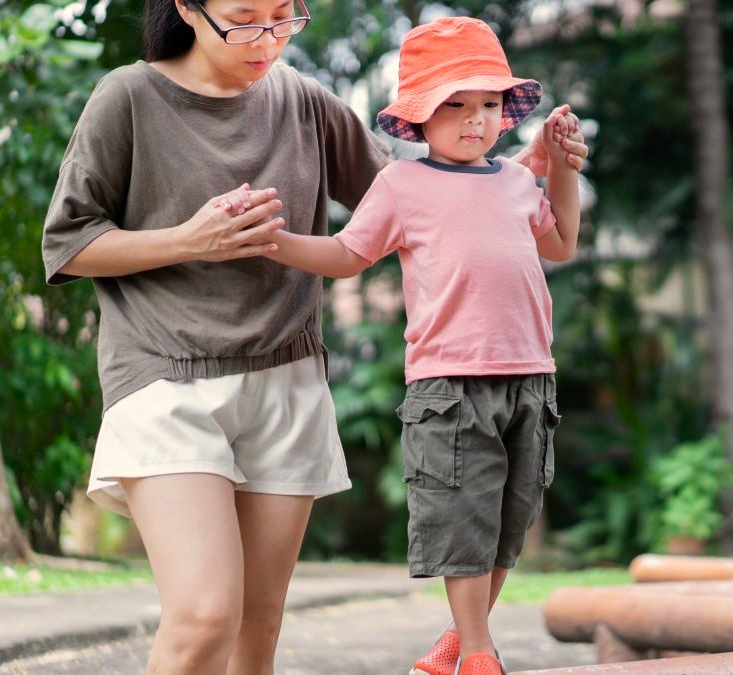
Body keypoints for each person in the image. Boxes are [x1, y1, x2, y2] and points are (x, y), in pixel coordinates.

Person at [40, 2, 587, 673]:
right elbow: (68, 244)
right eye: (244, 19)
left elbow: (425, 199)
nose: (267, 39)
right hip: (164, 373)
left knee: (258, 623)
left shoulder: (305, 102)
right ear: (186, 6)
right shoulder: (127, 98)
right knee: (207, 612)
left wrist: (520, 165)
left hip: (288, 378)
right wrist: (191, 239)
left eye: (282, 16)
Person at [260, 16, 580, 675]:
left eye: (488, 105)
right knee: (462, 523)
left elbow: (562, 243)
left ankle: (457, 642)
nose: (475, 120)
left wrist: (561, 167)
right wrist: (275, 242)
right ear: (417, 121)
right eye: (455, 106)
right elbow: (349, 254)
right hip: (449, 383)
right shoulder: (403, 186)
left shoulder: (519, 183)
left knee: (504, 527)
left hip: (531, 377)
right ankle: (481, 653)